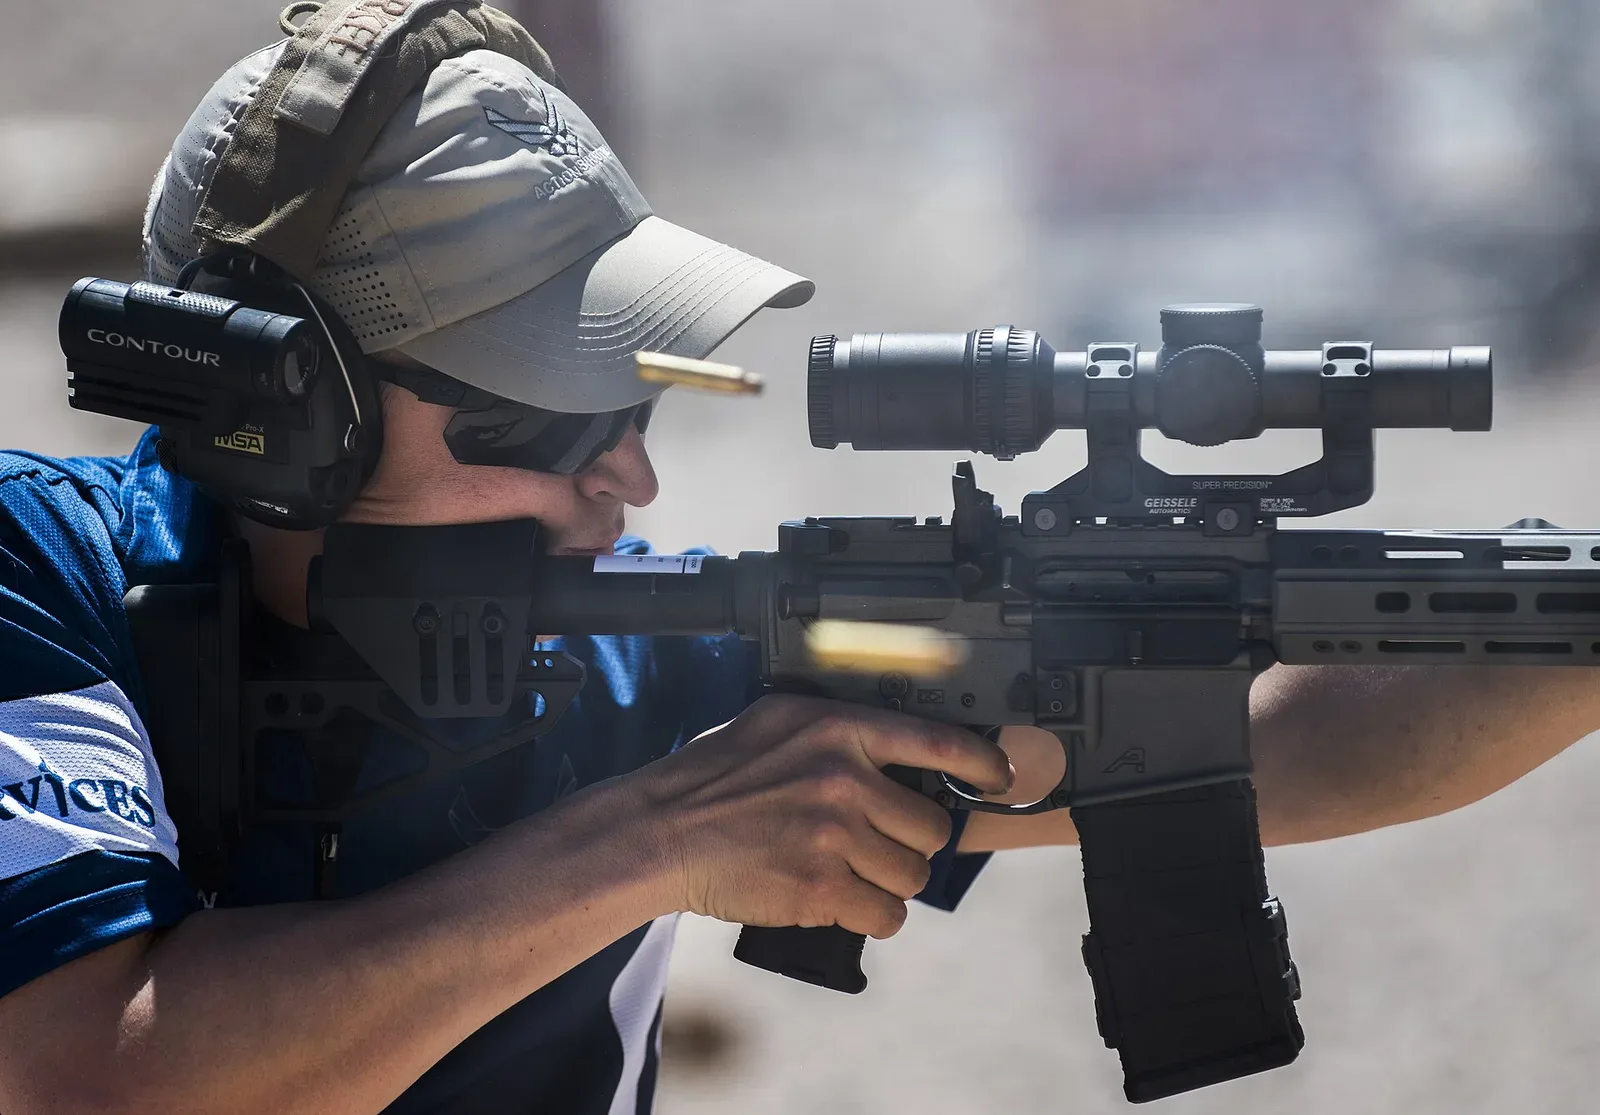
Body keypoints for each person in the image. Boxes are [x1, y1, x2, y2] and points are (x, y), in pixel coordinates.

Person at [1, 10, 1595, 1115]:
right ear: (285, 419)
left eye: (633, 401)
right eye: (550, 419)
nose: (628, 474)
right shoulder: (38, 579)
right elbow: (96, 1078)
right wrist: (657, 836)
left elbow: (1281, 734)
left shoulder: (625, 642)